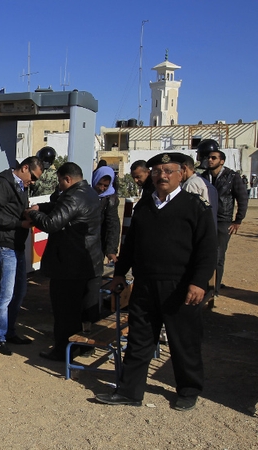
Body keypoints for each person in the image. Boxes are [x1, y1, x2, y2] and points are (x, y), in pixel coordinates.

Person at [95, 152, 217, 411]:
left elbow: (207, 249)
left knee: (183, 342)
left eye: (168, 171)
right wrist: (120, 273)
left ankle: (188, 390)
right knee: (139, 341)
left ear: (181, 174)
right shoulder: (144, 207)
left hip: (180, 287)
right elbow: (130, 244)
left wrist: (199, 282)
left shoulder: (195, 206)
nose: (163, 176)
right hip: (146, 285)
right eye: (158, 171)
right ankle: (129, 391)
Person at [26, 162, 103, 361]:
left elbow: (52, 223)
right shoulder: (89, 193)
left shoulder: (73, 196)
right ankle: (84, 346)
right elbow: (62, 208)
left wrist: (33, 213)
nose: (59, 185)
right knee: (81, 310)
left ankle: (62, 350)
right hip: (88, 262)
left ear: (67, 179)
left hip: (69, 265)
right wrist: (42, 207)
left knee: (65, 310)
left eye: (60, 181)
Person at [0, 156, 42, 355]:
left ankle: (8, 331)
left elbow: (10, 211)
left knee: (19, 292)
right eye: (33, 177)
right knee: (6, 294)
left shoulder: (20, 186)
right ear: (25, 168)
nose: (33, 182)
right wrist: (19, 223)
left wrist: (27, 213)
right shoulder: (2, 184)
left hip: (14, 245)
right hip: (3, 245)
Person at [198, 140, 248, 299]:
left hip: (223, 220)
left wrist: (237, 220)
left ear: (222, 161)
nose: (210, 160)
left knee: (218, 255)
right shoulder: (204, 177)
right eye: (208, 157)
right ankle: (205, 283)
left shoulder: (232, 177)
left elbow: (242, 198)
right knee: (204, 253)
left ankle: (215, 288)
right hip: (207, 219)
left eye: (214, 158)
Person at [92, 166, 120, 264]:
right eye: (99, 184)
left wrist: (111, 250)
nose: (101, 188)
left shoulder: (110, 200)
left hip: (98, 243)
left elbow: (112, 224)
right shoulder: (86, 194)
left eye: (105, 186)